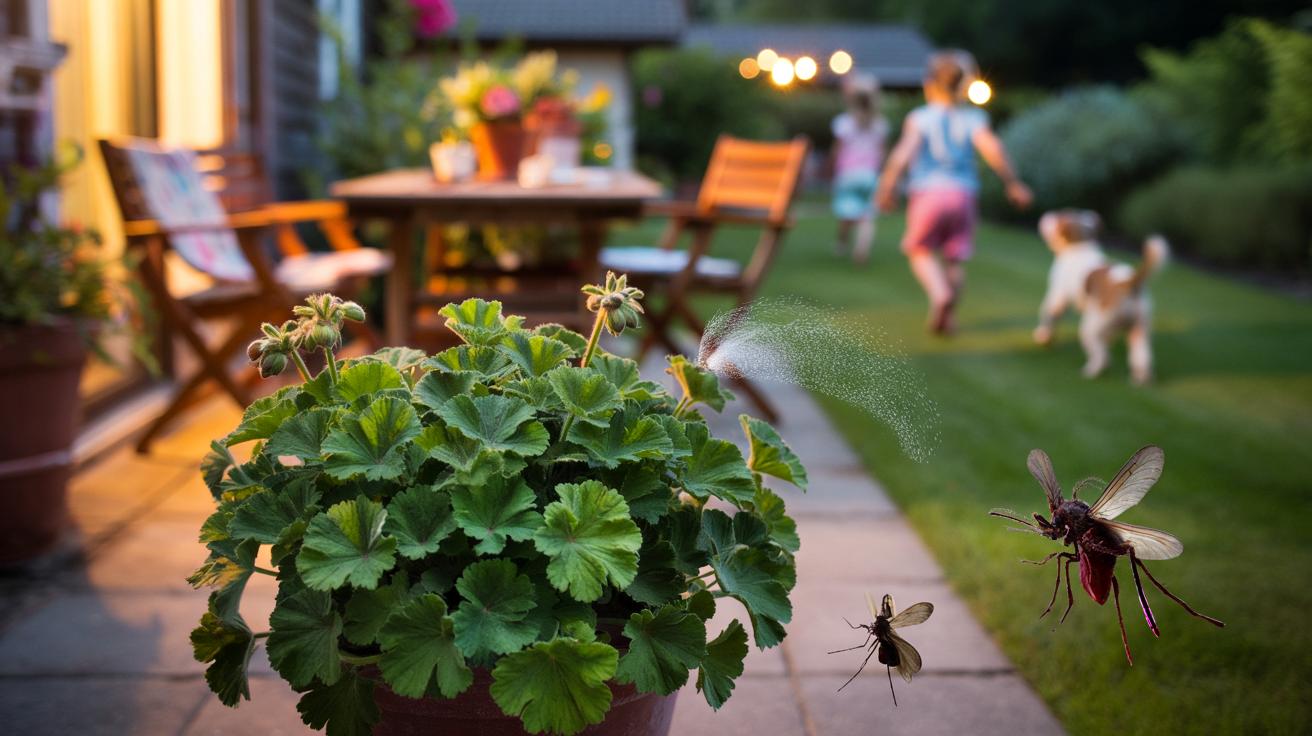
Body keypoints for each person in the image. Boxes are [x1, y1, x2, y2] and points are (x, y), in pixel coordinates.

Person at [876, 51, 1032, 334]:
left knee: (920, 250)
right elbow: (994, 149)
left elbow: (902, 155)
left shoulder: (920, 118)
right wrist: (1013, 183)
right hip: (963, 195)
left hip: (928, 194)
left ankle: (939, 295)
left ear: (929, 85)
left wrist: (887, 187)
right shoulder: (974, 118)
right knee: (955, 259)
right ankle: (948, 318)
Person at [830, 75, 888, 265]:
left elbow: (837, 150)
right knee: (867, 217)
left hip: (848, 175)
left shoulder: (844, 122)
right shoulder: (879, 124)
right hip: (870, 176)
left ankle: (842, 244)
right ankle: (861, 249)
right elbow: (882, 153)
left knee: (846, 214)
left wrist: (831, 168)